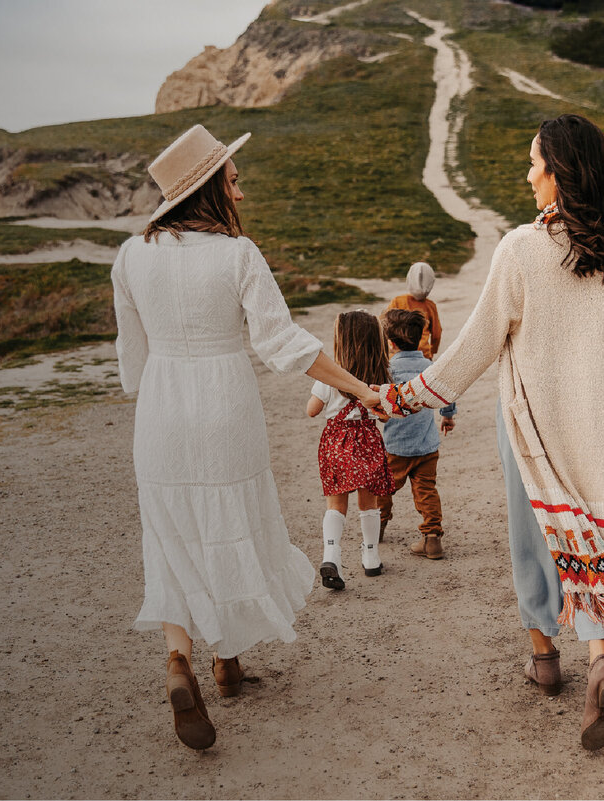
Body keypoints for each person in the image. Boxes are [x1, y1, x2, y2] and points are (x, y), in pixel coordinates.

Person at [376, 114, 604, 751]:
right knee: (590, 536)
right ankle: (600, 656)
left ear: (560, 172)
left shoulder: (521, 248)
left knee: (535, 532)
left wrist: (410, 395)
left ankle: (544, 656)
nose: (528, 174)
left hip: (535, 425)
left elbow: (477, 345)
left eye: (534, 162)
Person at [112, 124, 383, 751]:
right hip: (224, 405)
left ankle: (181, 658)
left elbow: (132, 359)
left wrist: (157, 376)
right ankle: (227, 663)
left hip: (161, 408)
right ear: (208, 189)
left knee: (172, 532)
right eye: (233, 180)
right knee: (229, 523)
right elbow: (284, 344)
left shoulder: (130, 257)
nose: (241, 190)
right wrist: (358, 388)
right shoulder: (238, 255)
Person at [306, 310, 395, 590]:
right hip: (367, 443)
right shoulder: (381, 376)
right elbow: (385, 416)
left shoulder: (329, 378)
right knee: (368, 503)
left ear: (341, 342)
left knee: (336, 504)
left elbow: (311, 411)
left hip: (336, 444)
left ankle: (331, 555)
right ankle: (371, 557)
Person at [377, 309, 456, 559]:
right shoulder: (430, 367)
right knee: (426, 491)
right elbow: (447, 391)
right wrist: (448, 415)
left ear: (390, 343)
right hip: (426, 446)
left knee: (385, 488)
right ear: (421, 337)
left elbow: (378, 402)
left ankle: (378, 525)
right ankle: (432, 538)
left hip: (396, 447)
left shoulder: (388, 370)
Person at [385, 262, 442, 360]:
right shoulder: (431, 306)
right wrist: (432, 352)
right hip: (423, 354)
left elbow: (385, 327)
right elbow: (437, 334)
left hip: (397, 354)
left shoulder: (397, 301)